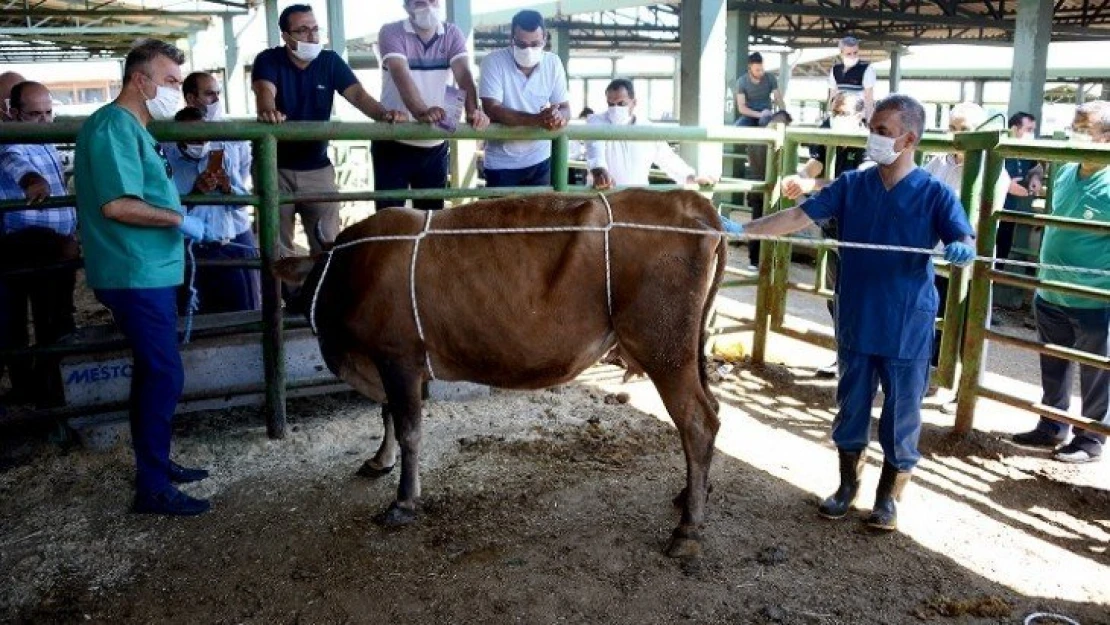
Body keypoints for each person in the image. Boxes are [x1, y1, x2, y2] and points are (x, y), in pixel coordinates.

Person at [737, 95, 976, 531]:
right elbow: (798, 215)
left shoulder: (935, 192)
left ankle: (888, 497)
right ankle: (848, 485)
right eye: (872, 127)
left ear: (909, 139)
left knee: (903, 407)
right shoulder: (852, 185)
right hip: (857, 312)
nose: (874, 138)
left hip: (906, 318)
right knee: (851, 403)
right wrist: (744, 229)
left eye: (883, 131)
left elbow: (964, 236)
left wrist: (963, 249)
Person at [74, 39, 211, 516]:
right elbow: (118, 204)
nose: (179, 91)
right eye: (171, 81)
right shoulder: (114, 127)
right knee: (164, 374)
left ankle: (156, 464)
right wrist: (179, 221)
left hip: (147, 267)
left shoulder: (132, 128)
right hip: (133, 270)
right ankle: (151, 487)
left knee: (155, 373)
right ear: (140, 80)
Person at [251, 3, 405, 258]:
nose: (311, 36)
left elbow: (357, 94)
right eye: (301, 30)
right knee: (276, 246)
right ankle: (282, 298)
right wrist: (268, 110)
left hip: (317, 169)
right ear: (285, 36)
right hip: (274, 168)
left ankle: (321, 297)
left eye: (314, 29)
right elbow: (265, 90)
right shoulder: (268, 59)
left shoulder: (330, 61)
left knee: (328, 244)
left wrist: (382, 113)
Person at [1011, 101, 1110, 464]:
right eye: (1075, 124)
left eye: (1085, 128)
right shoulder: (1067, 168)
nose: (1075, 132)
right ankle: (1052, 425)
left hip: (1093, 298)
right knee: (1053, 362)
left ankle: (1090, 439)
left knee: (1096, 371)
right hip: (1051, 289)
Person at [779, 91, 871, 377]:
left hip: (864, 234)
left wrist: (813, 184)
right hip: (834, 228)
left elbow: (857, 183)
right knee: (837, 296)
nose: (836, 118)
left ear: (859, 116)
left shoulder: (869, 143)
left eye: (843, 113)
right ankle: (843, 354)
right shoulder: (828, 136)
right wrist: (797, 178)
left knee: (862, 297)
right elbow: (814, 165)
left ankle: (863, 361)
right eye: (834, 112)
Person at [0, 81, 79, 407]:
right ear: (13, 113)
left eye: (48, 112)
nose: (45, 121)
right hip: (26, 244)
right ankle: (37, 390)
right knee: (25, 319)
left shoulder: (44, 139)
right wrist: (31, 180)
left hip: (57, 243)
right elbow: (12, 160)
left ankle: (53, 386)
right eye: (35, 114)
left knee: (55, 316)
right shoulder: (9, 138)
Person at [374, 0, 489, 210]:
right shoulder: (391, 32)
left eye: (433, 1)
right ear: (407, 7)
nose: (428, 6)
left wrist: (473, 111)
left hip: (435, 144)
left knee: (430, 218)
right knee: (389, 219)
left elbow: (463, 74)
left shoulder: (452, 33)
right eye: (419, 2)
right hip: (393, 142)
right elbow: (400, 73)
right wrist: (421, 111)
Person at [165, 106, 260, 314]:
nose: (201, 142)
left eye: (204, 135)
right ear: (178, 138)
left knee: (240, 311)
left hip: (226, 244)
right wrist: (195, 193)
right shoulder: (167, 162)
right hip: (188, 250)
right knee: (193, 313)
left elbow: (243, 200)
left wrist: (227, 188)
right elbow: (163, 212)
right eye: (193, 138)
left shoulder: (221, 154)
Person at [478, 9, 570, 187]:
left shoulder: (553, 63)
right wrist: (537, 120)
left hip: (541, 159)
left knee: (542, 215)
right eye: (521, 44)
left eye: (535, 44)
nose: (529, 50)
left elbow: (565, 108)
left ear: (545, 40)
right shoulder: (493, 62)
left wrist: (558, 117)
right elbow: (492, 110)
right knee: (503, 215)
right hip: (501, 164)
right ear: (511, 40)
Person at [585, 79, 716, 189]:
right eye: (610, 104)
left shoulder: (646, 128)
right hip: (604, 197)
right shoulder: (596, 122)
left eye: (621, 103)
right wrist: (599, 170)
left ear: (634, 103)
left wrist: (691, 177)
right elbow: (595, 149)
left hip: (638, 199)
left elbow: (667, 158)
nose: (615, 108)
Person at [183, 71, 252, 187]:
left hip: (230, 203)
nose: (217, 99)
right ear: (191, 98)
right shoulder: (171, 135)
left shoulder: (234, 130)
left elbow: (244, 170)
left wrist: (230, 188)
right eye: (209, 94)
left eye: (218, 94)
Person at [998, 112, 1043, 264]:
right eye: (1029, 130)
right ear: (1014, 129)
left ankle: (997, 279)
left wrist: (1035, 177)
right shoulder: (999, 148)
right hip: (990, 208)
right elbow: (983, 172)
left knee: (1004, 246)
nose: (1032, 134)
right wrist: (1006, 186)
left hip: (1010, 209)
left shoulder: (1026, 150)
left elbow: (1036, 167)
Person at [827, 36, 877, 120]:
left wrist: (869, 120)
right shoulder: (835, 69)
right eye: (849, 54)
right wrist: (829, 116)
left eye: (855, 52)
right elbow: (832, 95)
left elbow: (869, 98)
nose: (853, 56)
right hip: (838, 115)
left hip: (858, 116)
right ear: (841, 53)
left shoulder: (867, 69)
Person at [734, 52, 783, 127]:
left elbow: (779, 99)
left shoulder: (770, 78)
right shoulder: (741, 82)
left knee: (765, 122)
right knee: (737, 127)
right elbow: (742, 108)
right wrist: (760, 115)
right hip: (750, 115)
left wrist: (783, 114)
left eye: (762, 69)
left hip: (766, 114)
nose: (761, 72)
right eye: (757, 70)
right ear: (750, 67)